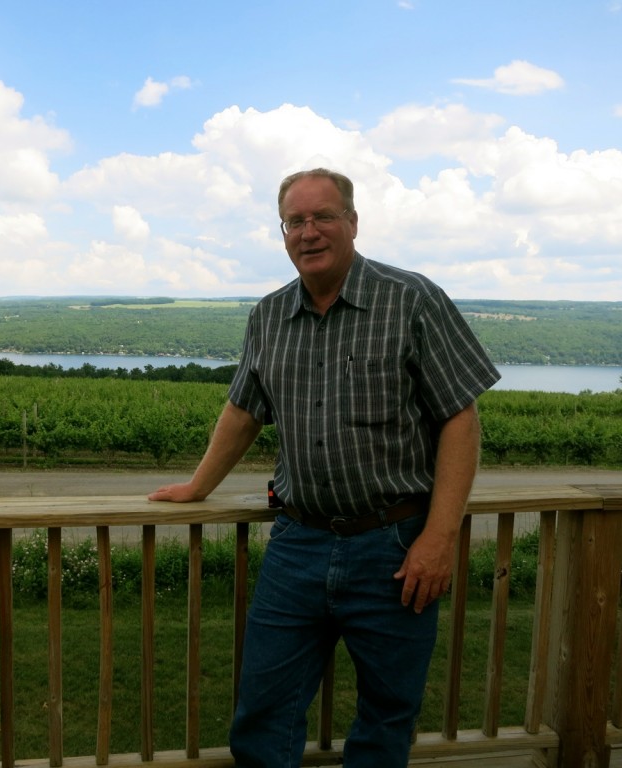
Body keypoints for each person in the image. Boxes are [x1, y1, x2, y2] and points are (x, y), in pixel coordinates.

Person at [148, 168, 500, 767]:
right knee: (263, 711)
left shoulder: (411, 299)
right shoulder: (268, 316)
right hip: (297, 543)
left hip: (395, 549)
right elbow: (242, 410)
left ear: (353, 223)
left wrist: (439, 538)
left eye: (323, 217)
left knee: (387, 716)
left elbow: (460, 422)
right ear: (283, 231)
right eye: (295, 221)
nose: (308, 232)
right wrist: (198, 485)